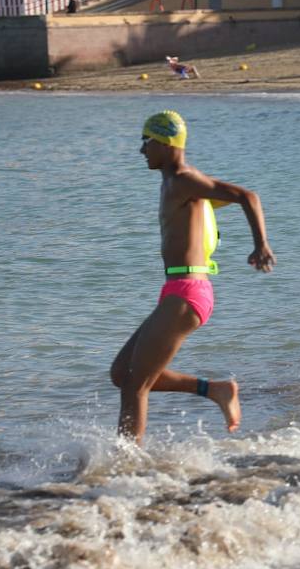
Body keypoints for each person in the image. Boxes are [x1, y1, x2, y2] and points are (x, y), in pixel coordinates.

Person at [110, 111, 275, 445]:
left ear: (167, 143)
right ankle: (215, 389)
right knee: (121, 374)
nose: (142, 150)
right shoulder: (177, 184)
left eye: (146, 141)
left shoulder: (184, 179)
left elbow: (248, 196)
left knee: (135, 385)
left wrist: (261, 245)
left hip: (188, 292)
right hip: (176, 289)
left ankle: (124, 465)